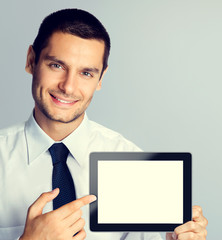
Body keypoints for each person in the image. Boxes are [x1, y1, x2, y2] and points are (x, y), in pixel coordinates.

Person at [0, 8, 208, 240]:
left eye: (86, 73)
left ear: (100, 79)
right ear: (31, 61)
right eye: (57, 65)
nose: (68, 87)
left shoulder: (128, 162)